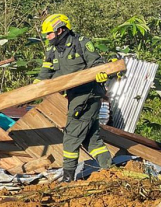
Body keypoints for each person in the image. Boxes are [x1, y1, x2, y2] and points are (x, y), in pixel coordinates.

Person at [37, 13, 113, 182]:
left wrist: (101, 73)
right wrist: (32, 91)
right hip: (73, 96)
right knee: (91, 139)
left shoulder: (81, 43)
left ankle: (68, 178)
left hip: (88, 95)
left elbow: (97, 64)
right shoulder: (52, 51)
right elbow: (44, 74)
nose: (47, 38)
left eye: (49, 34)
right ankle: (110, 170)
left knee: (71, 136)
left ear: (60, 30)